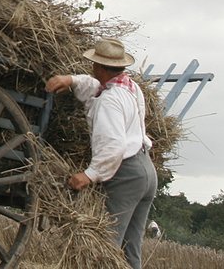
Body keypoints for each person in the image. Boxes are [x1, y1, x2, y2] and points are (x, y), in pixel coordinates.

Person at [46, 38, 157, 268]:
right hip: (146, 171)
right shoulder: (129, 87)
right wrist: (72, 80)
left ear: (98, 66)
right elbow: (93, 86)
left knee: (105, 248)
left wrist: (90, 174)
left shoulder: (109, 100)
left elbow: (113, 146)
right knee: (130, 252)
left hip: (127, 175)